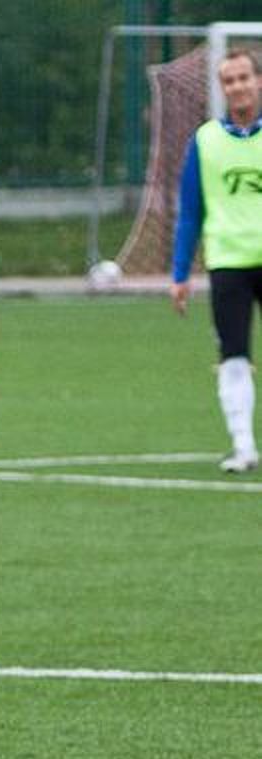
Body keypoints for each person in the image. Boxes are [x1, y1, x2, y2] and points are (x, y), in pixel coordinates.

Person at [171, 46, 262, 474]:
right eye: (229, 80)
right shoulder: (206, 141)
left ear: (258, 81)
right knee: (234, 354)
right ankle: (243, 445)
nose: (238, 86)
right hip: (228, 262)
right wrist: (179, 273)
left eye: (244, 77)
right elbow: (191, 212)